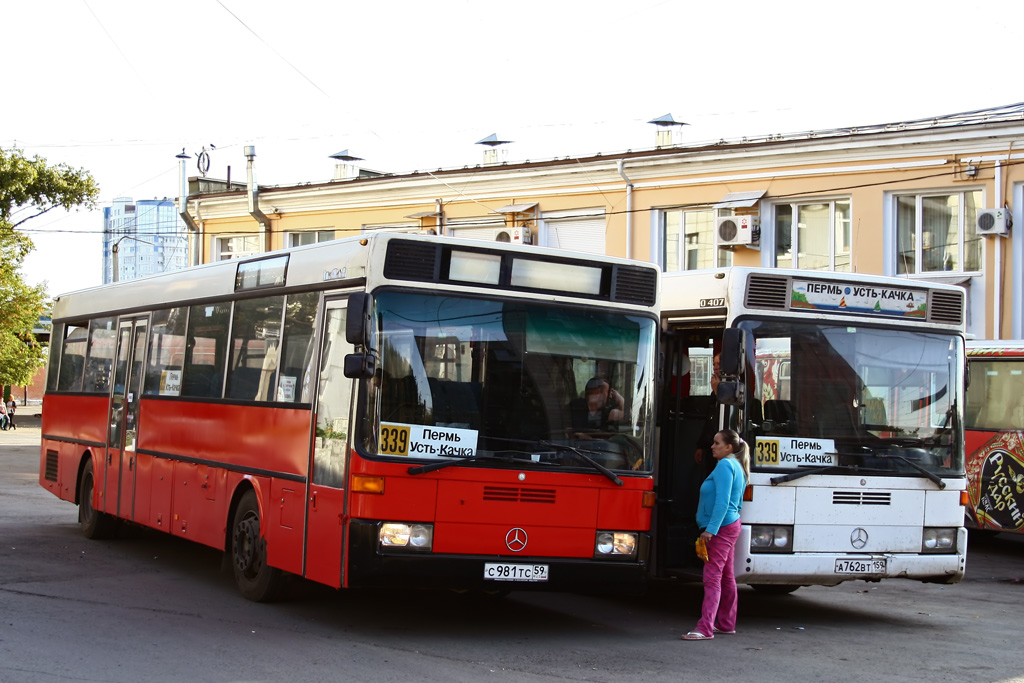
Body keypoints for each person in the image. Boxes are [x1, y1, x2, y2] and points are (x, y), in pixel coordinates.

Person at [681, 428, 750, 641]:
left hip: (720, 528)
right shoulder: (737, 466)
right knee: (727, 576)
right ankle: (726, 624)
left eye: (717, 443)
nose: (712, 446)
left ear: (729, 447)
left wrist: (710, 530)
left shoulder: (725, 466)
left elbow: (722, 502)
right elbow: (736, 502)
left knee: (712, 578)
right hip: (730, 525)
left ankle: (705, 628)